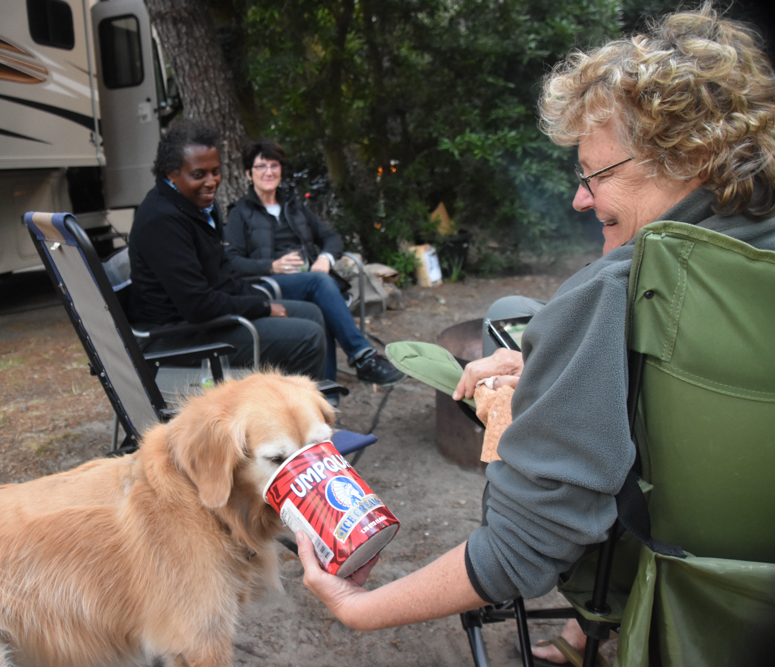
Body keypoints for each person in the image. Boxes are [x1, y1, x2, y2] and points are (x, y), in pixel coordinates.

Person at [297, 4, 775, 661]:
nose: (580, 199)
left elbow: (520, 549)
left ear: (685, 157)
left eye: (595, 175)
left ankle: (586, 625)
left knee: (516, 318)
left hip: (670, 587)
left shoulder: (616, 292)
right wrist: (555, 371)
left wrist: (359, 607)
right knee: (521, 312)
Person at [127, 120, 328, 381]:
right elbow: (197, 305)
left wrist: (259, 302)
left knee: (311, 313)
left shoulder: (197, 206)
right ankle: (291, 415)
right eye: (199, 174)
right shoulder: (162, 220)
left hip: (204, 322)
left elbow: (223, 274)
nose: (212, 182)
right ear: (170, 173)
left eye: (215, 171)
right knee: (308, 338)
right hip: (175, 337)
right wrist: (262, 308)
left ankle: (314, 399)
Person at [224, 140, 406, 388]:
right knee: (320, 284)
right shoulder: (240, 213)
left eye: (274, 165)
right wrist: (272, 266)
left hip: (310, 281)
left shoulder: (294, 207)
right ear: (249, 173)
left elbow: (331, 237)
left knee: (319, 306)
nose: (269, 172)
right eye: (261, 166)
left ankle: (325, 393)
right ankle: (363, 357)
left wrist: (325, 257)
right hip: (268, 285)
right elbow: (232, 262)